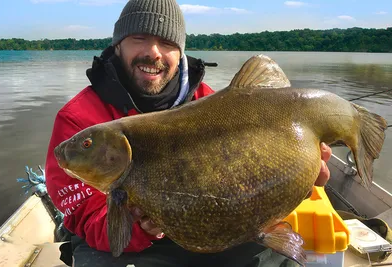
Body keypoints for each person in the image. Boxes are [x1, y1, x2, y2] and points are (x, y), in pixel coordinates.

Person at [45, 0, 332, 266]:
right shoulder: (78, 119)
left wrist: (292, 180)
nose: (153, 52)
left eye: (166, 42)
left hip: (208, 225)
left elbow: (241, 181)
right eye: (139, 38)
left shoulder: (218, 106)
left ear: (180, 51)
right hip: (122, 241)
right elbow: (81, 213)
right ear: (118, 45)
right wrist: (139, 227)